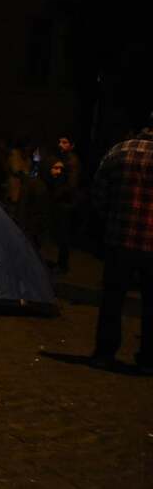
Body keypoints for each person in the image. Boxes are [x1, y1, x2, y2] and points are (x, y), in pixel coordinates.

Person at [90, 115, 153, 373]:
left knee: (112, 301)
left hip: (119, 239)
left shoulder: (120, 151)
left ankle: (104, 353)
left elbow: (98, 193)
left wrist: (112, 218)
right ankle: (149, 360)